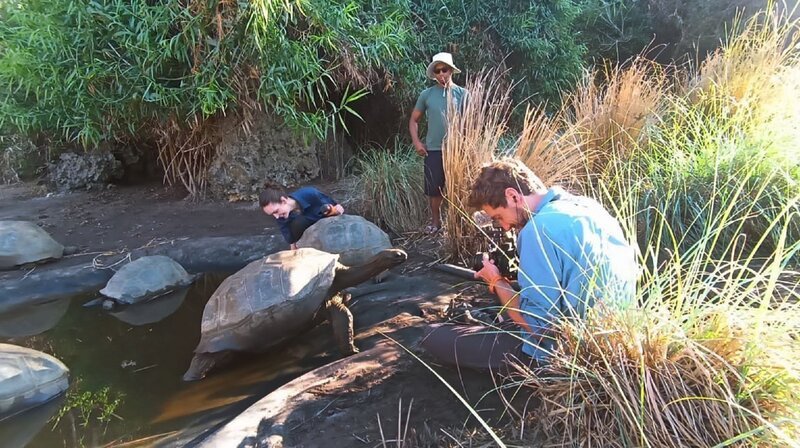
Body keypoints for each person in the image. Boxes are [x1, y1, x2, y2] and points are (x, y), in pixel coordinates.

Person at [421, 158, 638, 370]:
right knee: (504, 311)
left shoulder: (538, 229)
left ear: (512, 195)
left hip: (573, 356)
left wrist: (496, 280)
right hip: (620, 340)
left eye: (498, 217)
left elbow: (538, 327)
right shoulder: (589, 207)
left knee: (433, 335)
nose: (504, 227)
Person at [409, 52, 468, 234]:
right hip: (434, 149)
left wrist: (467, 146)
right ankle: (436, 222)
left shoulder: (463, 94)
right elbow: (413, 121)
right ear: (434, 73)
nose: (441, 74)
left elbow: (471, 123)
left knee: (459, 187)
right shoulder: (427, 95)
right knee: (434, 189)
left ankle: (458, 224)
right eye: (437, 70)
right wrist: (417, 142)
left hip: (457, 150)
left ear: (451, 71)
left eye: (445, 70)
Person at [260, 186, 344, 249]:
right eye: (272, 214)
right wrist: (293, 249)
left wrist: (338, 210)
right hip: (308, 238)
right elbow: (288, 236)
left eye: (276, 211)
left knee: (326, 209)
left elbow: (335, 206)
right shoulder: (281, 216)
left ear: (283, 201)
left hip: (328, 226)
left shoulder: (310, 193)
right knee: (298, 223)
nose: (276, 216)